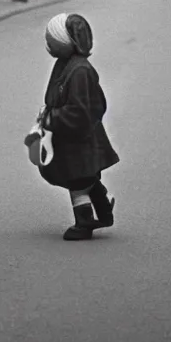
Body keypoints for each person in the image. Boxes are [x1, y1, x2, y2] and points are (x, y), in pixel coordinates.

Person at [34, 12, 119, 241]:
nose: (48, 46)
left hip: (79, 139)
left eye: (51, 41)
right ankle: (103, 207)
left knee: (78, 181)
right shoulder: (66, 64)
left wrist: (53, 118)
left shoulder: (80, 70)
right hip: (69, 138)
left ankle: (84, 222)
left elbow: (80, 111)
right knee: (81, 177)